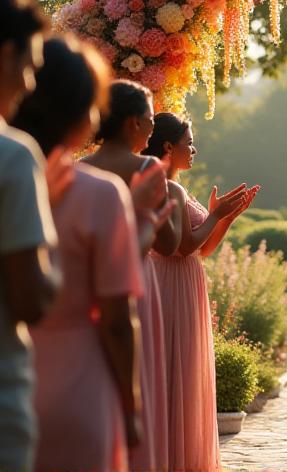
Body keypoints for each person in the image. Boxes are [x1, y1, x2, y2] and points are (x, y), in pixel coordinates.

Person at [12, 36, 148, 470]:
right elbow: (116, 321)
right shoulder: (100, 194)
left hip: (12, 380)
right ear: (78, 111)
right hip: (80, 386)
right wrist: (131, 407)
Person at [142, 112, 257, 470]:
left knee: (184, 368)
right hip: (170, 283)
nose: (194, 149)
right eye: (188, 142)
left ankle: (181, 453)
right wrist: (215, 214)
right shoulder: (163, 185)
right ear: (167, 146)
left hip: (184, 280)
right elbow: (183, 245)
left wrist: (224, 218)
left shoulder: (176, 186)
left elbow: (203, 248)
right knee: (174, 367)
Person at [83, 80, 179, 471]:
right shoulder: (148, 167)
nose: (153, 131)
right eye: (150, 122)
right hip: (134, 274)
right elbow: (170, 244)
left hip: (91, 279)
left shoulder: (79, 168)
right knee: (139, 375)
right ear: (132, 124)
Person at [0, 0, 59, 470]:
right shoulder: (14, 157)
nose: (30, 83)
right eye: (28, 66)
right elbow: (29, 296)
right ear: (5, 55)